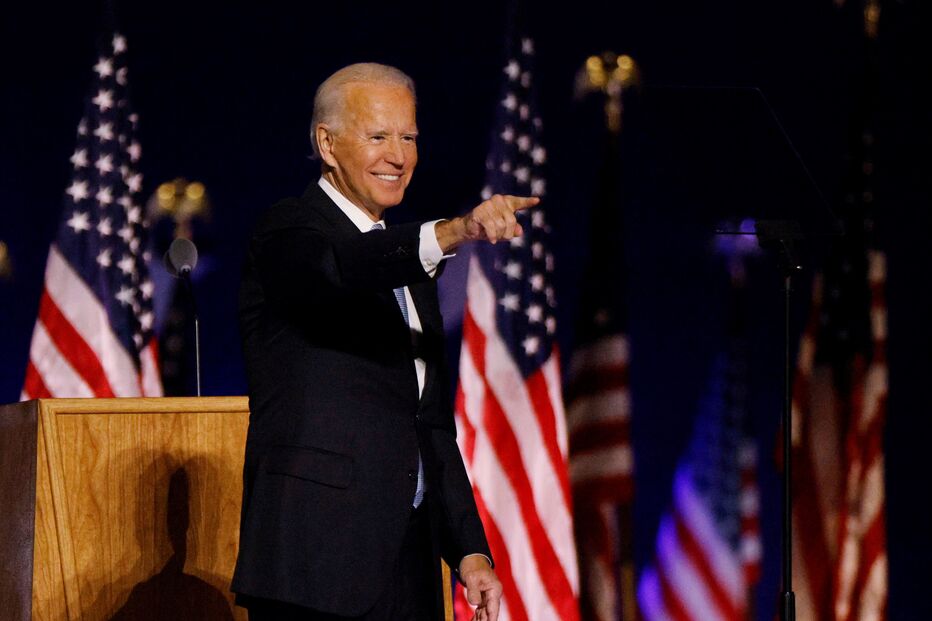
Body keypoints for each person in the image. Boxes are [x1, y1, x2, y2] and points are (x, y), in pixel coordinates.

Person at [231, 62, 537, 621]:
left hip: (410, 567)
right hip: (313, 567)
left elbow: (428, 423)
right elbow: (340, 268)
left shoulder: (409, 269)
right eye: (378, 136)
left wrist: (467, 550)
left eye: (409, 137)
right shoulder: (289, 232)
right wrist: (455, 230)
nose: (398, 156)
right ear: (327, 143)